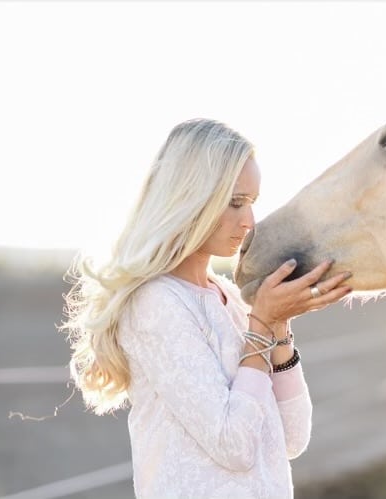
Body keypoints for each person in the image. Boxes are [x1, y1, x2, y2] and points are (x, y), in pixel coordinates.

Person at [62, 118, 353, 498]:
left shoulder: (230, 298)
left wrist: (279, 324)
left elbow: (293, 437)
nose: (249, 222)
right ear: (190, 198)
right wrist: (262, 322)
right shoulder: (156, 304)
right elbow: (234, 445)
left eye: (252, 203)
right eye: (235, 203)